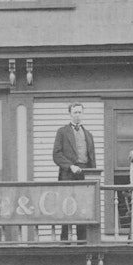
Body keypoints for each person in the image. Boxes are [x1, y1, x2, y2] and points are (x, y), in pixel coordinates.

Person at [52, 102, 96, 241]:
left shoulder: (88, 134)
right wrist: (70, 166)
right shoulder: (62, 132)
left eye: (80, 112)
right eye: (75, 112)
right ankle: (65, 239)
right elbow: (56, 154)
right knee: (67, 206)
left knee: (83, 207)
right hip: (68, 174)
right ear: (70, 114)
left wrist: (93, 175)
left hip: (84, 173)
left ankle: (82, 240)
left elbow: (92, 158)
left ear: (83, 114)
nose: (78, 115)